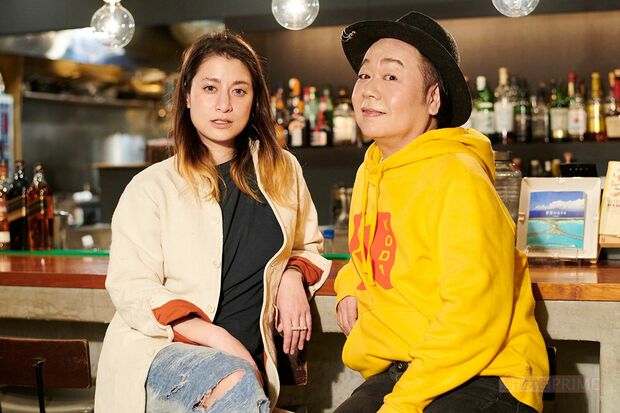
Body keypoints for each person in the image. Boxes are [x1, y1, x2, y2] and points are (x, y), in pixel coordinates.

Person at [95, 31, 331, 413]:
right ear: (187, 96)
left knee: (237, 384)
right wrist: (220, 339)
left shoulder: (282, 169)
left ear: (254, 100)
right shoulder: (151, 186)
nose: (224, 104)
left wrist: (291, 276)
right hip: (163, 354)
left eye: (239, 91)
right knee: (234, 380)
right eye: (210, 88)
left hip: (243, 373)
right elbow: (130, 286)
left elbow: (308, 245)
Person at [333, 11, 549, 413]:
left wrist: (404, 403)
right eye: (364, 75)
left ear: (433, 99)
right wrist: (348, 286)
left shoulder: (457, 175)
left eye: (391, 76)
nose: (369, 89)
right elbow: (369, 256)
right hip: (409, 368)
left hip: (489, 375)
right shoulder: (372, 168)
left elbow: (473, 316)